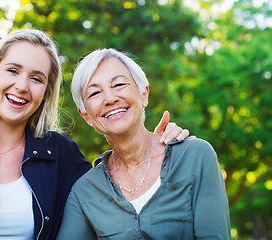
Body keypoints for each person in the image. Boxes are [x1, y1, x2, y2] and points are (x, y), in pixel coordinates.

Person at [0, 29, 189, 240]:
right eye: (13, 71)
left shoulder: (61, 155)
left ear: (46, 92)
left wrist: (158, 146)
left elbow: (115, 195)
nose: (22, 86)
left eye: (36, 78)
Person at [57, 48, 231, 239]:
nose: (110, 98)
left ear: (144, 94)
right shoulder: (84, 191)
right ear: (86, 115)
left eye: (119, 84)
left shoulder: (196, 156)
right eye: (95, 93)